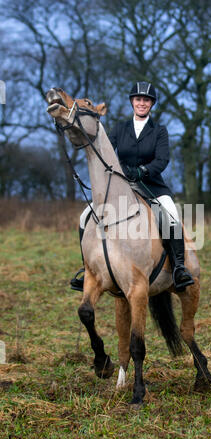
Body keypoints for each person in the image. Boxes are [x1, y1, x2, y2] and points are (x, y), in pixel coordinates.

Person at [70, 81, 194, 292]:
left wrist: (143, 171)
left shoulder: (160, 131)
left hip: (152, 186)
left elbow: (162, 160)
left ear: (151, 104)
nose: (142, 103)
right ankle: (87, 270)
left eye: (146, 100)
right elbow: (105, 151)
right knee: (85, 217)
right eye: (138, 99)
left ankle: (178, 268)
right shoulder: (120, 129)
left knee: (171, 215)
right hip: (121, 186)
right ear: (132, 102)